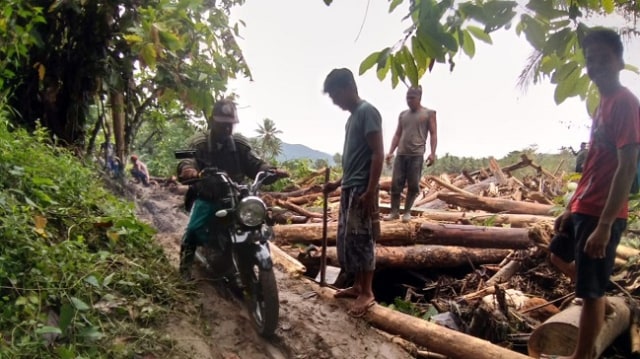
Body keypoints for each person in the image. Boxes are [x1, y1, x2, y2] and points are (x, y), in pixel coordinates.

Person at [545, 28, 640, 359]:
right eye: (591, 59)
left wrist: (604, 224)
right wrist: (572, 206)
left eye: (603, 58)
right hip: (585, 207)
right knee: (557, 253)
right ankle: (597, 304)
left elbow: (626, 167)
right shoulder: (604, 104)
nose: (596, 65)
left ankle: (582, 355)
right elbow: (595, 164)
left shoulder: (626, 104)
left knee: (591, 289)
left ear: (619, 61)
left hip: (603, 213)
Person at [176, 98, 288, 281]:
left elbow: (254, 163)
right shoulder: (200, 144)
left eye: (230, 124)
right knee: (193, 229)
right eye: (223, 124)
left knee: (258, 223)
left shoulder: (239, 145)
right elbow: (188, 160)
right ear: (212, 122)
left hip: (237, 197)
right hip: (209, 196)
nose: (228, 129)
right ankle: (184, 268)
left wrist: (269, 170)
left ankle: (243, 258)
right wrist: (189, 170)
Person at [322, 68, 384, 318]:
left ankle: (367, 292)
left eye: (335, 95)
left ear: (347, 87)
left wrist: (370, 191)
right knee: (351, 240)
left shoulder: (368, 112)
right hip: (351, 187)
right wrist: (337, 184)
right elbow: (355, 160)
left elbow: (378, 154)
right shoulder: (352, 118)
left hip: (362, 189)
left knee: (363, 238)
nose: (334, 101)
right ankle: (358, 285)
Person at [383, 86, 438, 222]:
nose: (409, 100)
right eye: (407, 97)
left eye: (412, 98)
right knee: (396, 184)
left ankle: (407, 212)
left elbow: (433, 133)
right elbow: (397, 134)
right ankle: (394, 212)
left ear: (419, 98)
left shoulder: (429, 113)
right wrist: (390, 152)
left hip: (416, 155)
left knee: (413, 184)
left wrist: (432, 153)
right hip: (401, 154)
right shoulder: (403, 115)